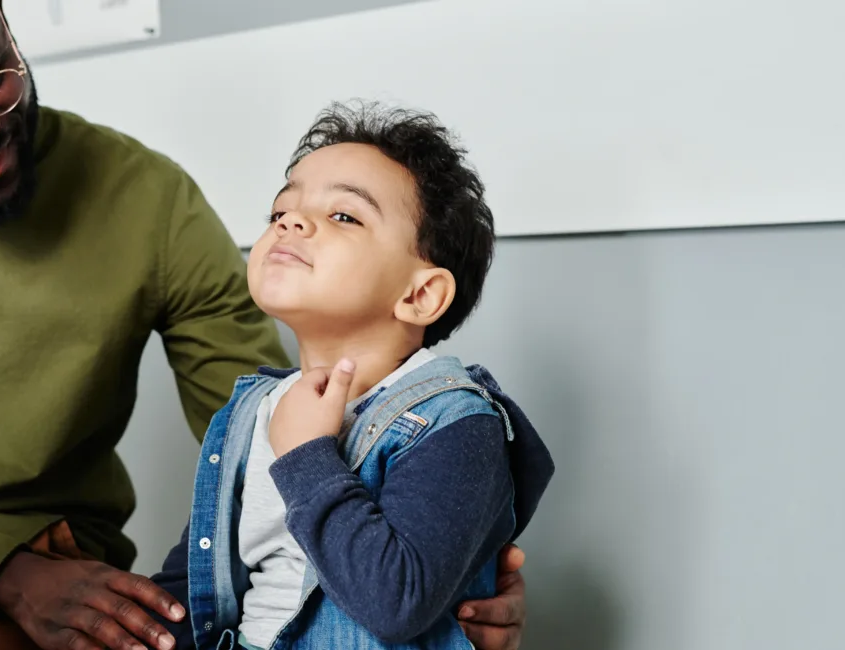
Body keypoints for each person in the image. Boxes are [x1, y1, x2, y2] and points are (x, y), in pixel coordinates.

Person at [0, 1, 531, 649]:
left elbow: (267, 474)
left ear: (12, 33)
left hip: (54, 588)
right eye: (282, 209)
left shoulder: (149, 204)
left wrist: (446, 575)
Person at [148, 103, 555, 650]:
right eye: (281, 211)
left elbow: (397, 602)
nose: (291, 221)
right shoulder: (251, 413)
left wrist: (307, 458)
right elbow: (192, 586)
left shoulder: (456, 423)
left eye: (344, 216)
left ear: (420, 295)